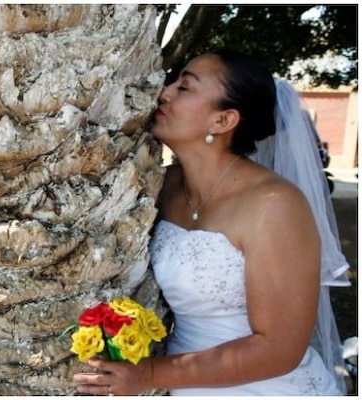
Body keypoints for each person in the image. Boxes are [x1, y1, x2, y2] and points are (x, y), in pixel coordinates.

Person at [73, 50, 350, 395]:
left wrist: (150, 375)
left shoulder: (274, 205)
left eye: (185, 87)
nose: (165, 92)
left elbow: (280, 348)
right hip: (183, 383)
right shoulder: (162, 185)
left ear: (223, 121)